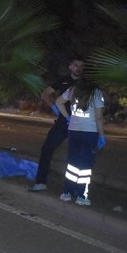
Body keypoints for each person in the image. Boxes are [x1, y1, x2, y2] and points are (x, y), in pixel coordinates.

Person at [29, 58, 85, 192]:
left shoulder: (86, 83)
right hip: (63, 121)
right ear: (70, 66)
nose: (79, 68)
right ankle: (41, 182)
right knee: (47, 149)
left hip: (80, 122)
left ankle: (75, 189)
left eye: (82, 66)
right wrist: (54, 107)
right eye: (76, 65)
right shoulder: (63, 80)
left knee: (77, 156)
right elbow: (45, 94)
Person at [55, 75, 105, 206]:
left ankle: (67, 192)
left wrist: (68, 117)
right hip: (90, 133)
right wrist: (102, 135)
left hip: (73, 131)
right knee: (85, 166)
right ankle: (81, 196)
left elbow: (58, 102)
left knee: (72, 162)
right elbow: (99, 117)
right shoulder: (96, 93)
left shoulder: (73, 90)